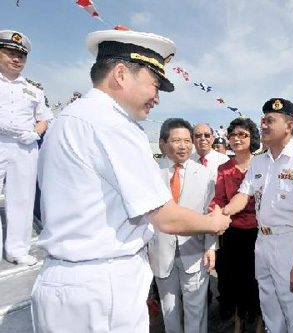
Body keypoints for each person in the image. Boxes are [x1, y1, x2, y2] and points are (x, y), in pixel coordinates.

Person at [30, 29, 231, 332]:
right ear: (121, 74)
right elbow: (166, 218)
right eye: (154, 84)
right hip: (102, 287)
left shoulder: (65, 120)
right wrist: (214, 223)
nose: (157, 98)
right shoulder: (115, 126)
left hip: (62, 280)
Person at [223, 98, 293, 333]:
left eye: (270, 120)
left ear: (289, 125)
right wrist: (222, 214)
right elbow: (243, 195)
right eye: (263, 119)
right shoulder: (259, 162)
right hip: (262, 244)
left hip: (290, 244)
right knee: (270, 311)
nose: (263, 125)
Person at [149, 118, 217, 333]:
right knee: (169, 311)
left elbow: (211, 213)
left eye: (188, 141)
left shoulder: (205, 174)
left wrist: (211, 247)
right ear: (163, 144)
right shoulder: (149, 174)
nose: (184, 146)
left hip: (195, 252)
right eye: (177, 140)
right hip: (160, 253)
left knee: (196, 312)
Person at [0, 30, 52, 266]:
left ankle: (17, 250)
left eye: (21, 55)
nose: (16, 59)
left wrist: (35, 132)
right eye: (10, 53)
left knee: (21, 198)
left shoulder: (33, 90)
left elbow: (43, 119)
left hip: (24, 145)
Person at [211, 117, 263, 333]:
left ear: (252, 138)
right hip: (233, 233)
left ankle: (261, 322)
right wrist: (214, 214)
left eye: (243, 134)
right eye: (232, 135)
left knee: (258, 282)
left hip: (260, 233)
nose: (236, 139)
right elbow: (220, 199)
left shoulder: (263, 163)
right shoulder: (224, 168)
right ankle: (239, 323)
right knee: (236, 283)